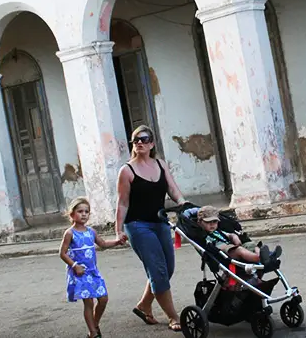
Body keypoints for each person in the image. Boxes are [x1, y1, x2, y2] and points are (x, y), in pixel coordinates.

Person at [115, 125, 186, 332]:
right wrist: (118, 230)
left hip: (160, 223)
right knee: (158, 270)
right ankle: (173, 316)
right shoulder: (126, 170)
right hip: (137, 225)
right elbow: (122, 203)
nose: (139, 143)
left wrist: (185, 205)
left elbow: (173, 189)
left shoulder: (160, 164)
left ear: (152, 143)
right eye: (136, 140)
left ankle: (144, 305)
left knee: (167, 269)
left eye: (144, 139)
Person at [60, 197, 123, 338]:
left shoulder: (91, 232)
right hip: (80, 273)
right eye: (80, 211)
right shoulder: (70, 233)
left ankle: (94, 323)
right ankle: (93, 333)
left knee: (103, 299)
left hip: (93, 272)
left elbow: (103, 244)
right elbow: (62, 253)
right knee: (88, 302)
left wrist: (117, 242)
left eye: (86, 212)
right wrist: (75, 266)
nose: (83, 214)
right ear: (72, 214)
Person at [197, 205, 282, 265]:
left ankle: (266, 256)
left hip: (231, 246)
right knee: (240, 250)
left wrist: (234, 236)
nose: (212, 224)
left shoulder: (218, 231)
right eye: (208, 222)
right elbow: (208, 245)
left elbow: (229, 235)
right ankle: (259, 258)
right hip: (222, 252)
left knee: (251, 245)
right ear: (200, 222)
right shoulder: (202, 234)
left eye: (214, 222)